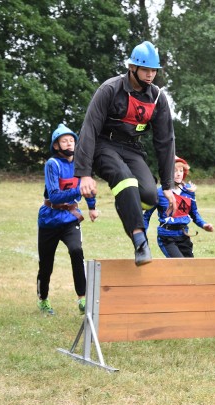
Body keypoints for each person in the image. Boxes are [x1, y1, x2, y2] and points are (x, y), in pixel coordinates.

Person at [73, 40, 176, 267]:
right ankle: (140, 241)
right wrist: (84, 173)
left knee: (150, 196)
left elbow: (165, 141)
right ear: (132, 68)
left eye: (154, 70)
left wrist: (168, 186)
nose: (150, 75)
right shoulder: (109, 89)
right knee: (126, 181)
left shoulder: (158, 97)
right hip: (103, 145)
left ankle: (126, 203)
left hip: (132, 148)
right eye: (146, 69)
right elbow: (88, 129)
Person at [37, 124, 99, 315]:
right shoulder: (52, 165)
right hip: (49, 219)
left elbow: (87, 185)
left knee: (76, 250)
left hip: (70, 218)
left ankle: (82, 299)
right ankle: (43, 299)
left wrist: (92, 207)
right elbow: (54, 196)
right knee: (46, 262)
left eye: (71, 140)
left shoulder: (81, 163)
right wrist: (78, 190)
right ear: (56, 145)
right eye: (64, 140)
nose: (69, 143)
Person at [144, 156, 214, 257]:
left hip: (184, 236)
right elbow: (146, 216)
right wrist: (141, 236)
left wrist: (204, 225)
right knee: (179, 266)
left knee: (190, 269)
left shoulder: (189, 191)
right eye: (175, 170)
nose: (178, 173)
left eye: (181, 170)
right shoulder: (159, 193)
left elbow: (194, 214)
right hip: (167, 238)